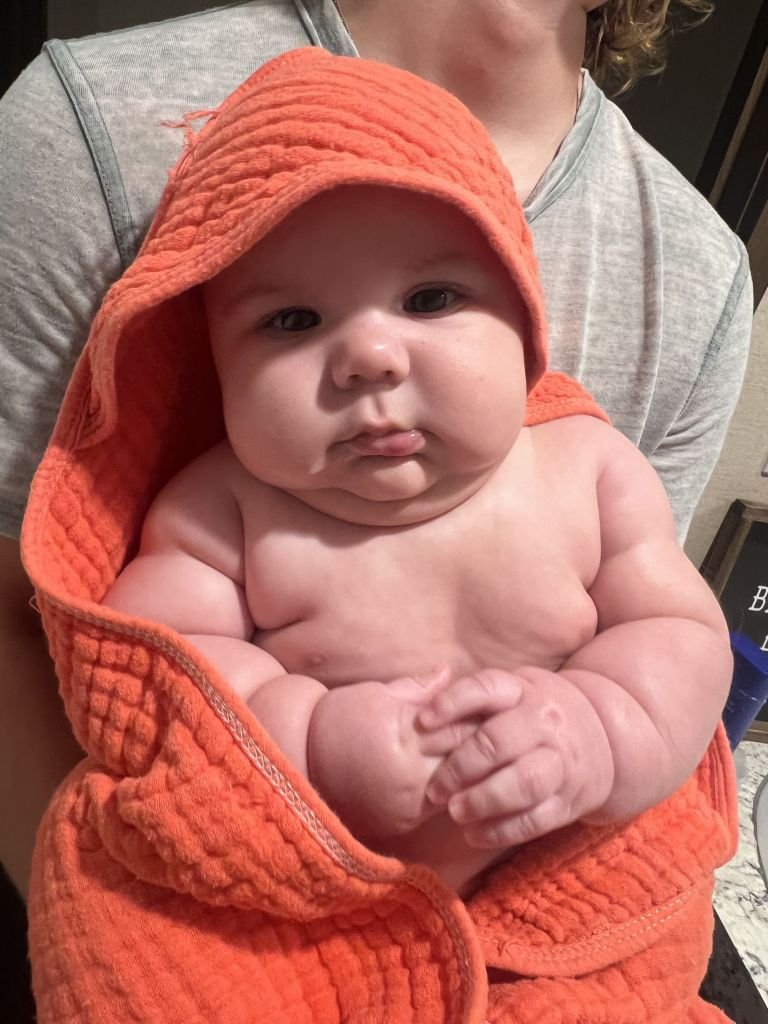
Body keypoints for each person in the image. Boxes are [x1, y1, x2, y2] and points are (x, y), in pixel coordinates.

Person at [21, 51, 738, 1022]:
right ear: (206, 358)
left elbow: (680, 635)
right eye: (291, 320)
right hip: (288, 909)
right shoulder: (218, 513)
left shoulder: (588, 469)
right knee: (131, 943)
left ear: (523, 315)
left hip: (561, 878)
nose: (367, 356)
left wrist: (600, 730)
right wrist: (318, 741)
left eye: (431, 299)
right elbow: (164, 689)